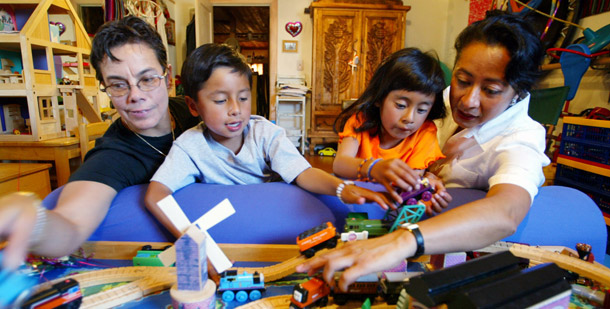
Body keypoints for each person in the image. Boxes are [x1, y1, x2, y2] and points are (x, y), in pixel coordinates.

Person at [297, 10, 550, 291]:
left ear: (518, 91)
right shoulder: (435, 100)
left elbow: (506, 212)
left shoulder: (523, 138)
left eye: (490, 90)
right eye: (463, 80)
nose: (467, 101)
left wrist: (402, 241)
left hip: (429, 237)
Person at [0, 16, 200, 269]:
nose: (136, 95)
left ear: (168, 77)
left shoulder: (194, 113)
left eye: (148, 79)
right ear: (105, 87)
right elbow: (70, 227)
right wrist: (35, 220)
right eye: (118, 85)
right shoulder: (113, 156)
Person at [144, 44, 394, 237]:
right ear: (193, 105)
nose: (235, 110)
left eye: (243, 98)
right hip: (231, 232)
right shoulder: (190, 146)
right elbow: (156, 194)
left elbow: (303, 173)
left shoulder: (264, 134)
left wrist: (341, 188)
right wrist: (190, 240)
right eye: (220, 100)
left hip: (274, 222)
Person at [332, 48, 451, 210]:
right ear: (379, 98)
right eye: (401, 105)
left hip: (388, 205)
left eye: (422, 110)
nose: (409, 118)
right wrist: (373, 168)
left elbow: (411, 183)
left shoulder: (425, 132)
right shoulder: (360, 120)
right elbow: (340, 165)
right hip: (353, 200)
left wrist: (427, 187)